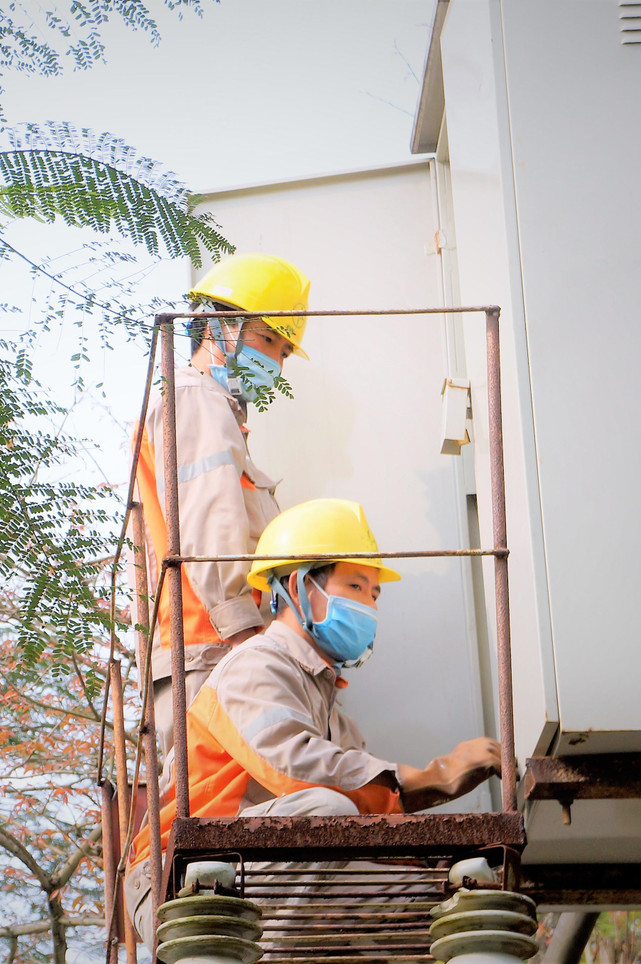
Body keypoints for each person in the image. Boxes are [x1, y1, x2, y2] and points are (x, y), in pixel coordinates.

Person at [125, 498, 501, 942]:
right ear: (301, 586)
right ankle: (267, 953)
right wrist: (430, 776)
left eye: (375, 594)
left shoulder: (333, 715)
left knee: (437, 899)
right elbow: (296, 768)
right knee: (329, 811)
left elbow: (367, 821)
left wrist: (435, 865)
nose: (370, 607)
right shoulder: (255, 666)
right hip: (178, 872)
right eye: (356, 587)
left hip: (250, 866)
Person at [135, 252, 311, 759]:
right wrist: (248, 640)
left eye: (284, 349)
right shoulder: (197, 400)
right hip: (213, 650)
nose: (275, 362)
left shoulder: (209, 408)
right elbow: (213, 524)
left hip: (202, 650)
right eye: (266, 339)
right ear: (218, 327)